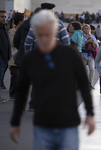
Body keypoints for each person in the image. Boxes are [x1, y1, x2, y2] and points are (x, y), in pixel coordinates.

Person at [10, 10, 95, 149]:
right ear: (34, 34)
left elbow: (84, 85)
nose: (43, 40)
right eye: (40, 35)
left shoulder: (70, 54)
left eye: (47, 35)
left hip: (68, 124)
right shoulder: (30, 59)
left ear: (55, 31)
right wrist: (15, 122)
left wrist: (90, 114)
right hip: (42, 124)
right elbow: (21, 92)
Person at [8, 12, 24, 99]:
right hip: (14, 55)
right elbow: (12, 42)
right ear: (20, 22)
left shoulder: (23, 30)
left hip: (21, 55)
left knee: (21, 76)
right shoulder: (11, 31)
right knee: (15, 75)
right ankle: (12, 93)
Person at [82, 24, 99, 89]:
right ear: (83, 29)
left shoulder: (92, 36)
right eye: (85, 28)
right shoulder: (81, 36)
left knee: (92, 69)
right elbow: (81, 45)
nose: (86, 29)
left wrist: (93, 42)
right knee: (84, 70)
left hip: (90, 55)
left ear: (89, 29)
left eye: (87, 28)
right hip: (83, 55)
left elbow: (96, 46)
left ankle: (90, 83)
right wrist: (87, 42)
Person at [0, 10, 11, 103]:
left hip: (5, 57)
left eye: (5, 16)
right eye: (2, 17)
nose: (4, 18)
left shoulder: (4, 28)